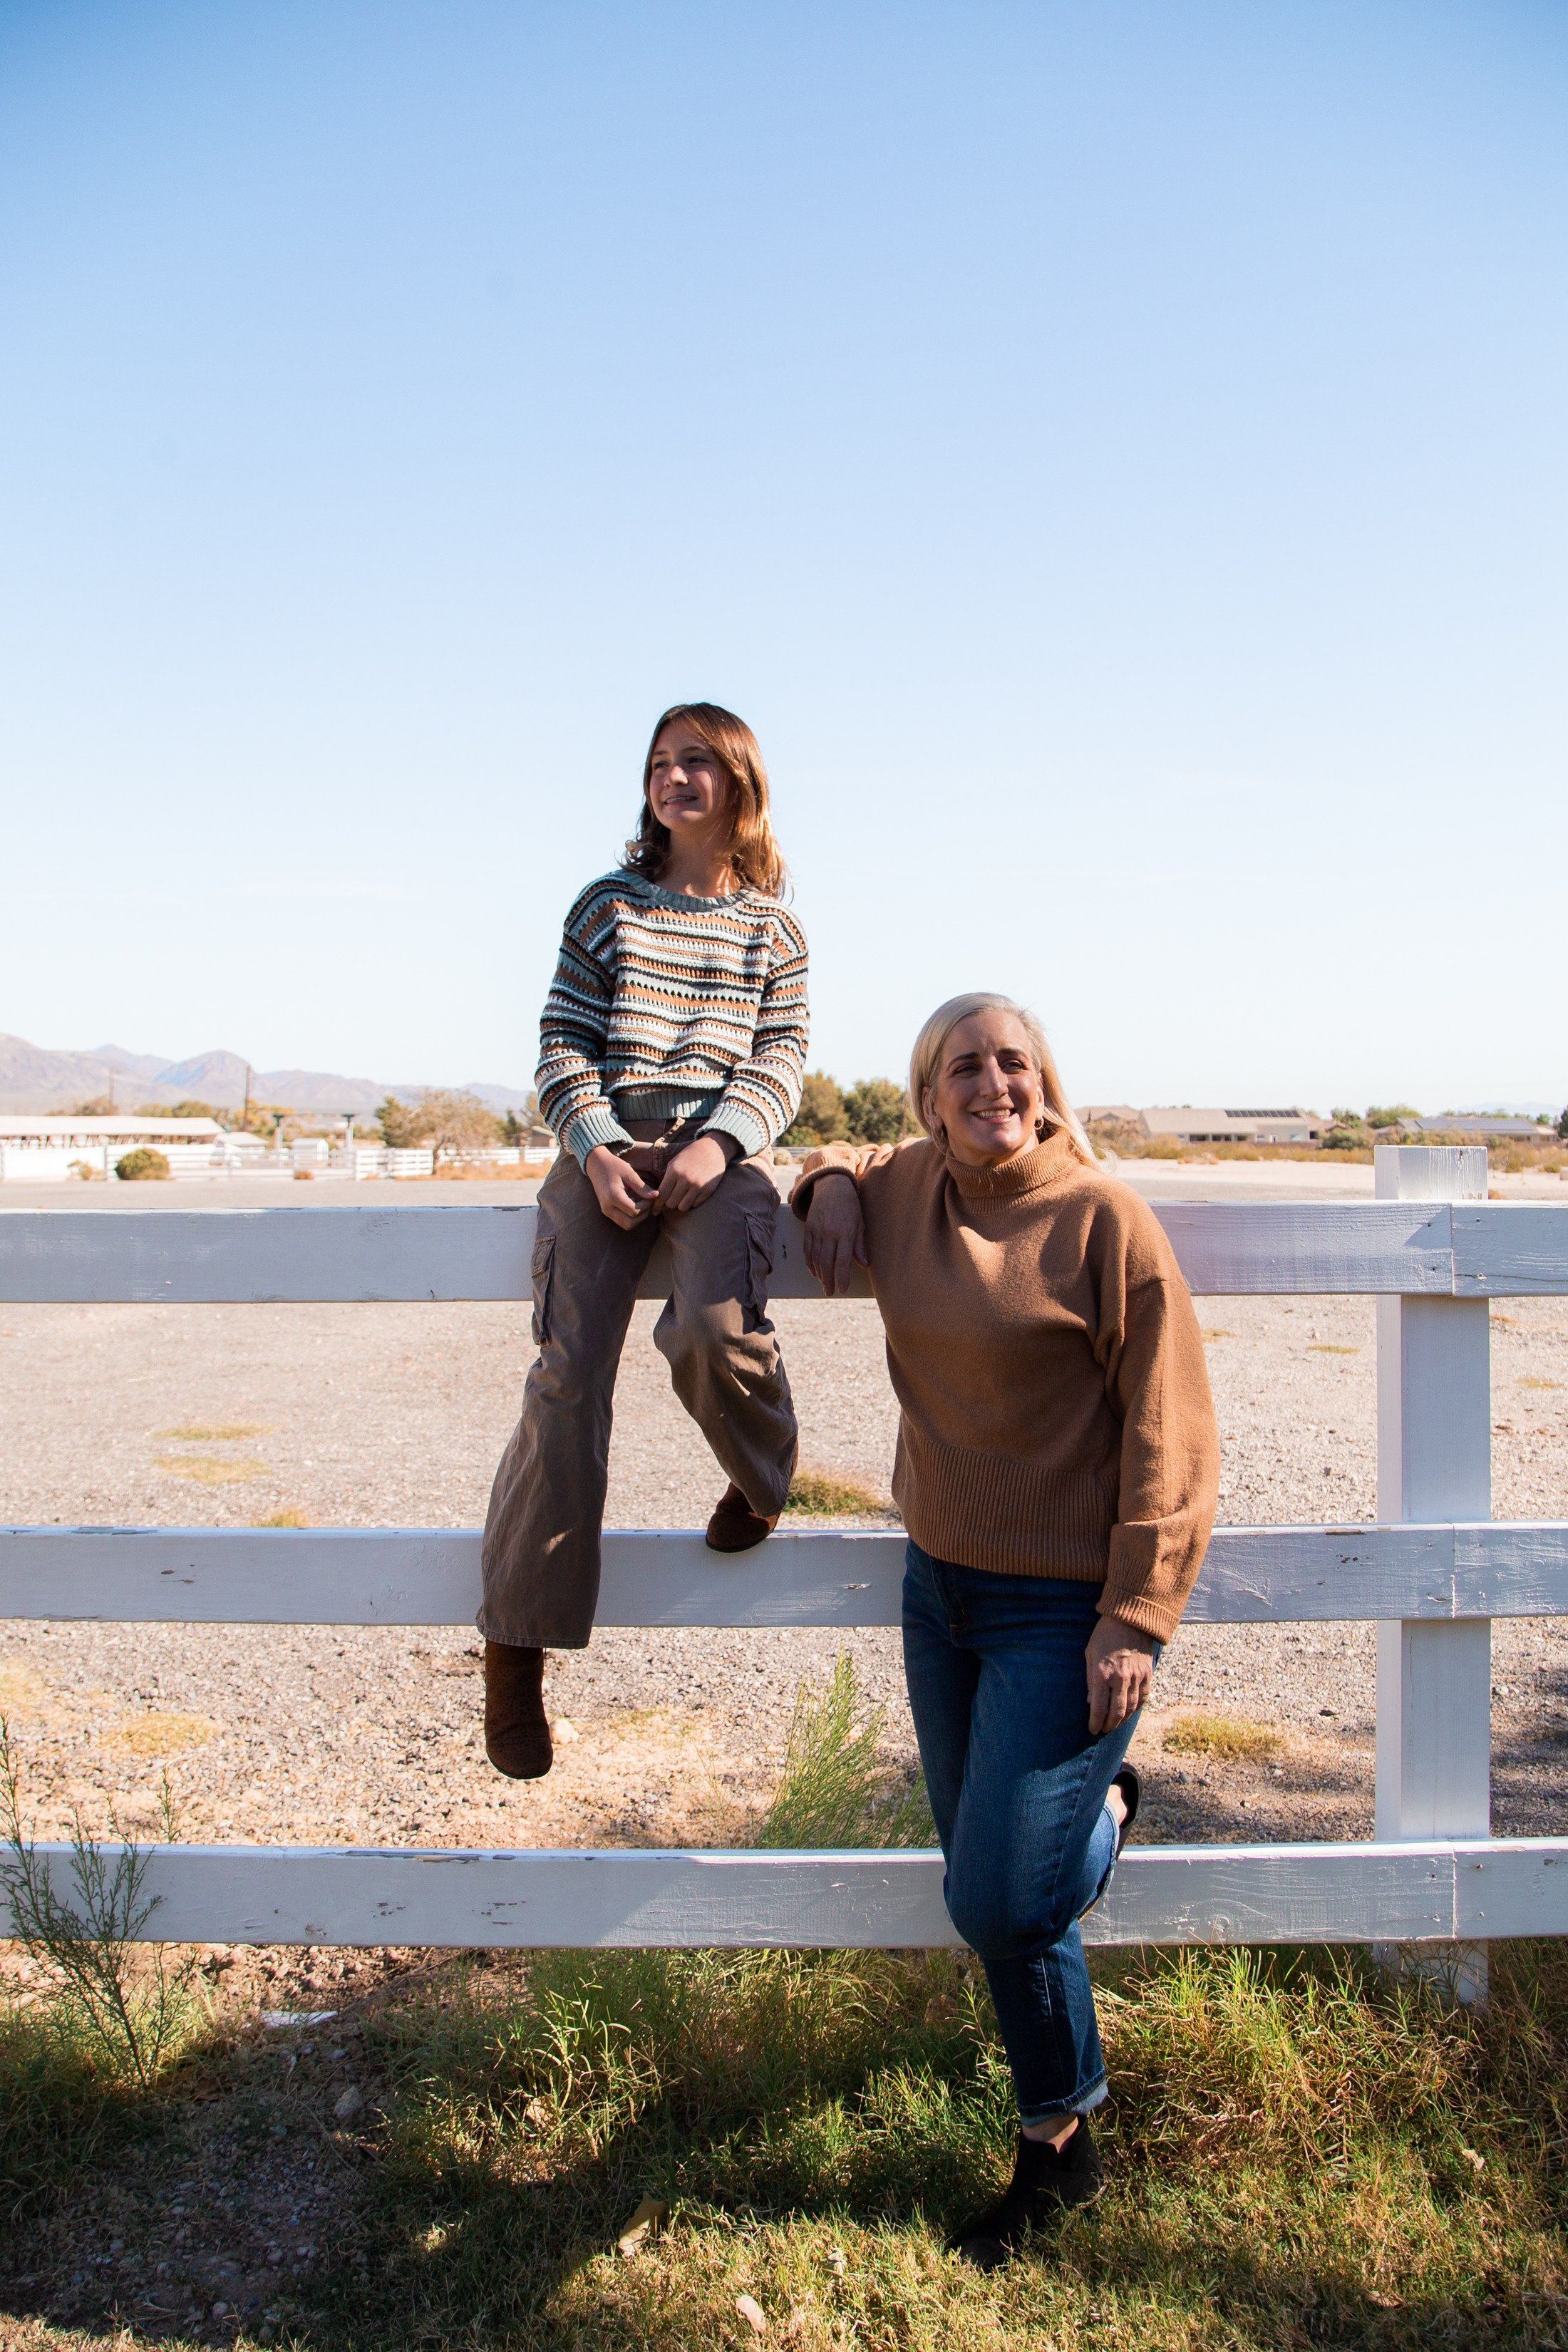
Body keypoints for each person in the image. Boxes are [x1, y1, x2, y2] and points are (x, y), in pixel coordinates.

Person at [795, 992, 1219, 2269]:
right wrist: (824, 1174)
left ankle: (1097, 1823)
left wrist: (1136, 1616)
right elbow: (847, 1154)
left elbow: (1173, 1434)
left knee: (994, 1895)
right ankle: (1066, 2144)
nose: (994, 1084)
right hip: (941, 1593)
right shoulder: (910, 1184)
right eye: (964, 1067)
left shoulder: (1106, 1221)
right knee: (1009, 1899)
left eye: (1014, 1063)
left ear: (1046, 1083)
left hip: (1064, 1613)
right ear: (927, 1093)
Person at [479, 703, 808, 1781]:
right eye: (660, 764)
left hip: (721, 1153)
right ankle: (516, 1646)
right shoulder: (606, 906)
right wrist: (597, 1146)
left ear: (740, 782)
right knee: (568, 1379)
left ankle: (764, 1477)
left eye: (697, 762)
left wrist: (720, 1143)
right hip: (607, 1148)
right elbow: (560, 1042)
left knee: (711, 1336)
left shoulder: (775, 930)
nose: (674, 779)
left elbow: (782, 1060)